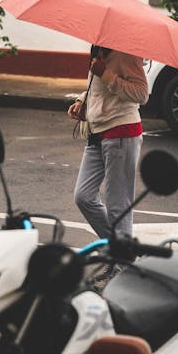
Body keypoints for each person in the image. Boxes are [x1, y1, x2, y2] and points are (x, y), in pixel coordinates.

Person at [68, 45, 149, 239]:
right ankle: (120, 248)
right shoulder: (99, 47)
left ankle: (121, 262)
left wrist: (106, 74)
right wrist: (83, 102)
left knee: (118, 206)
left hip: (121, 130)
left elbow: (141, 94)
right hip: (97, 131)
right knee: (84, 196)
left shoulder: (126, 52)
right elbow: (98, 86)